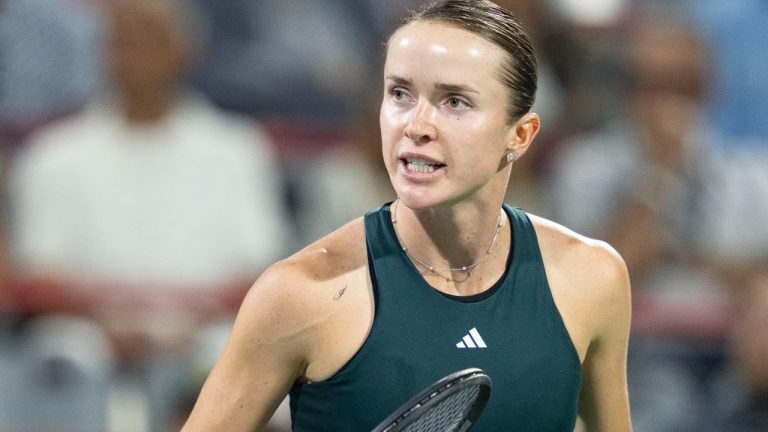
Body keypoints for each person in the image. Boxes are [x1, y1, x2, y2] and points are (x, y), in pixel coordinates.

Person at [182, 1, 632, 431]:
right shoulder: (300, 294)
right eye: (400, 94)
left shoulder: (593, 279)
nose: (416, 126)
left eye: (455, 101)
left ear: (520, 135)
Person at [5, 0, 289, 430]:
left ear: (185, 51)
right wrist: (116, 322)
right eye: (123, 42)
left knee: (244, 357)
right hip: (86, 334)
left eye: (150, 41)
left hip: (206, 331)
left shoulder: (237, 150)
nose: (135, 56)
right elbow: (39, 277)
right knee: (58, 358)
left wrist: (180, 323)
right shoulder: (53, 155)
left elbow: (259, 270)